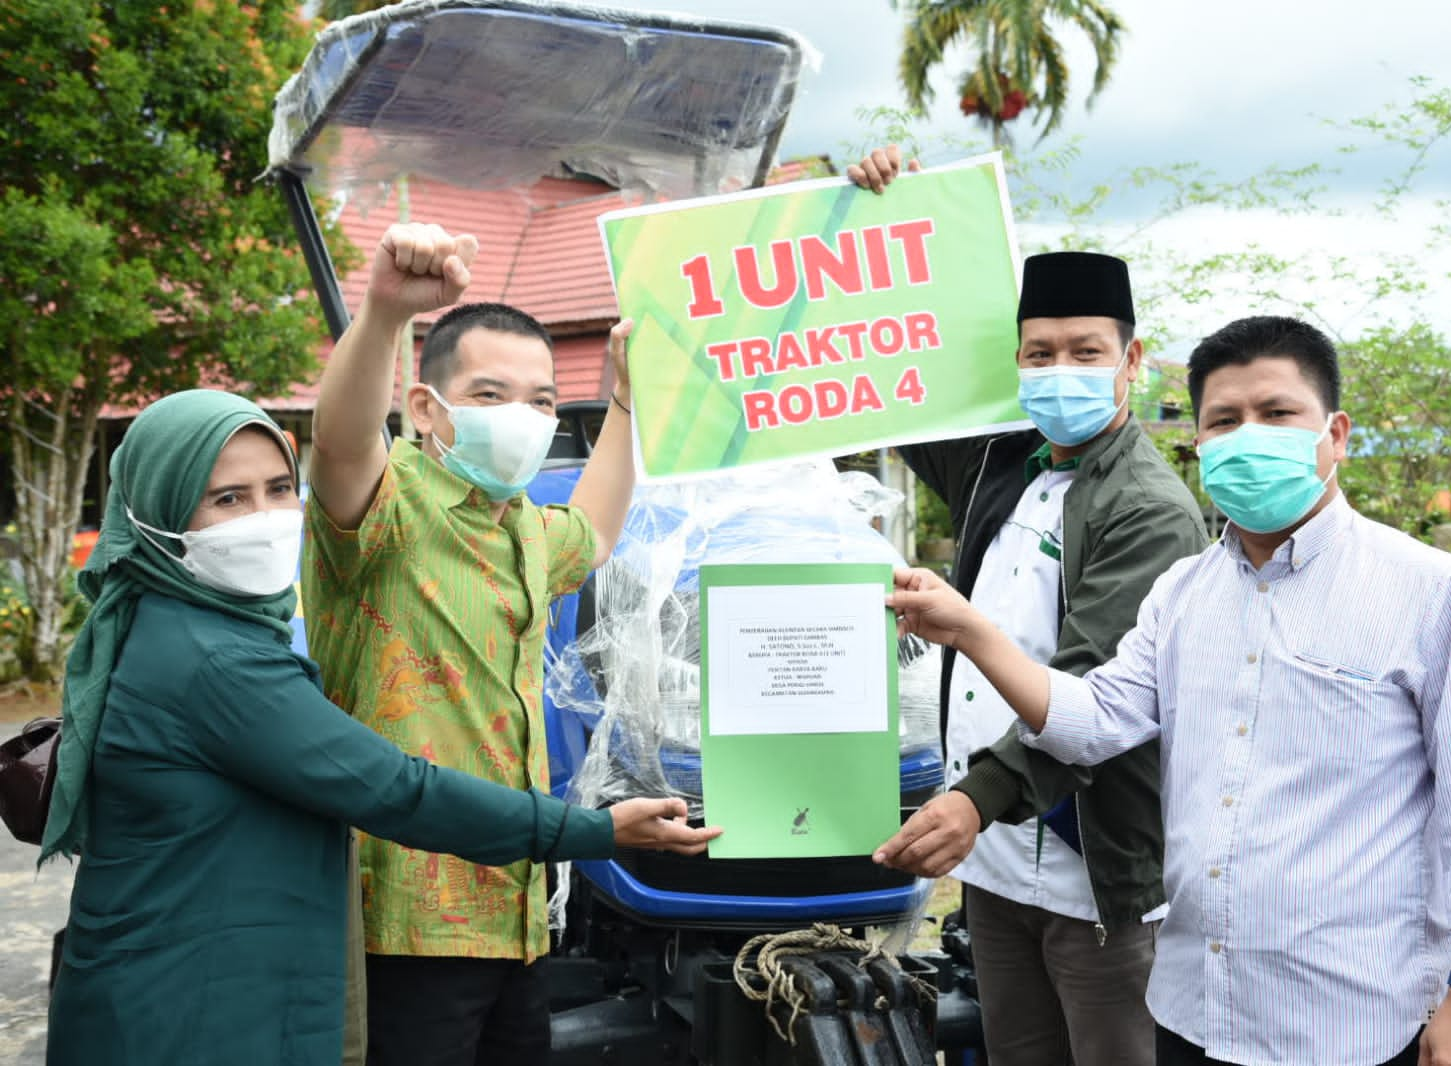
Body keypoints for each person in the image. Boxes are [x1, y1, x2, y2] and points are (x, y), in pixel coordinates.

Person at [879, 315, 1451, 1066]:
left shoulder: (1430, 593)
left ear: (1335, 433)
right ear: (1198, 445)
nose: (1247, 435)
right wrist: (970, 630)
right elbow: (1094, 718)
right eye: (1223, 420)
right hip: (1194, 1007)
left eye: (1276, 413)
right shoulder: (1182, 592)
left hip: (1352, 1018)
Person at [39, 390, 717, 1066]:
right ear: (154, 509)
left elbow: (592, 534)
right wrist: (595, 830)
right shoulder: (213, 659)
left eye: (279, 488)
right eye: (227, 499)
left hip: (186, 978)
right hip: (192, 1007)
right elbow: (396, 789)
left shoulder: (178, 616)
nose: (266, 517)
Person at [849, 145, 1208, 1066]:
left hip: (1095, 871)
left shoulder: (1147, 507)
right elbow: (886, 390)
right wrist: (878, 220)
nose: (1060, 371)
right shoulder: (1003, 466)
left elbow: (1094, 691)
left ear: (1129, 360)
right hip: (997, 863)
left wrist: (977, 798)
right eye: (1038, 353)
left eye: (1085, 352)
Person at [301, 222, 645, 1065]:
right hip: (402, 919)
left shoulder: (527, 525)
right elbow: (340, 441)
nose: (522, 420)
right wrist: (384, 313)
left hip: (519, 910)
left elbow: (596, 529)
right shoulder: (387, 505)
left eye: (541, 402)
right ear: (427, 408)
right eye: (491, 396)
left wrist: (628, 402)